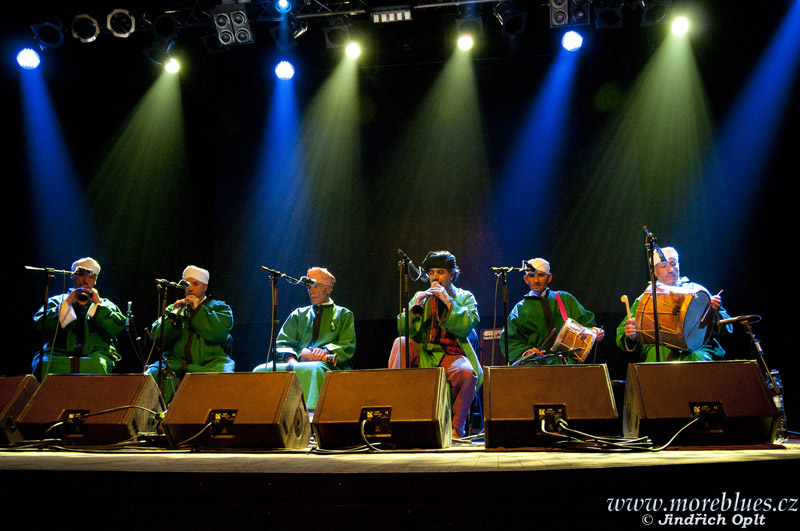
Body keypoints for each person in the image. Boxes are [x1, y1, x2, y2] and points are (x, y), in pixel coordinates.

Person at [388, 251, 481, 439]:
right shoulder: (421, 295)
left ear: (452, 274)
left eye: (440, 272)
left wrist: (448, 301)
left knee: (466, 373)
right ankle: (395, 417)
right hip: (425, 352)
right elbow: (402, 327)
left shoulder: (465, 296)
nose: (435, 277)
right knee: (401, 342)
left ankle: (456, 430)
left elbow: (469, 323)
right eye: (431, 273)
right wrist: (416, 305)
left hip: (451, 354)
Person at [253, 267, 355, 412]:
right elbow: (282, 342)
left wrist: (324, 352)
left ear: (329, 289)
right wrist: (291, 360)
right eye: (308, 286)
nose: (310, 291)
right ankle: (259, 415)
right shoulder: (299, 314)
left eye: (315, 285)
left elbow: (347, 346)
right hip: (295, 362)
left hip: (324, 364)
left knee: (314, 369)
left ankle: (312, 417)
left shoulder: (344, 314)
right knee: (261, 370)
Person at [616, 247, 731, 362]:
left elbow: (727, 323)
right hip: (660, 346)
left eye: (673, 264)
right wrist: (632, 335)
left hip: (697, 347)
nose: (670, 269)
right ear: (654, 272)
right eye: (663, 266)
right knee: (660, 357)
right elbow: (623, 332)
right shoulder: (646, 299)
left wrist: (714, 312)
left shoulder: (697, 291)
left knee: (698, 359)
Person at [147, 265, 234, 400]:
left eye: (196, 284)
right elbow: (157, 336)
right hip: (176, 364)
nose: (190, 288)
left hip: (210, 364)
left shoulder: (219, 307)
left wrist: (198, 310)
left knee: (223, 379)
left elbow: (219, 333)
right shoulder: (174, 308)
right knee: (151, 374)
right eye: (187, 284)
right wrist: (172, 318)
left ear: (205, 286)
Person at [32, 257, 126, 377]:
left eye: (91, 276)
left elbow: (115, 328)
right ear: (72, 276)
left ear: (96, 280)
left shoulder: (105, 303)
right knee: (43, 365)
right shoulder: (57, 301)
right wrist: (67, 303)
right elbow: (41, 325)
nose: (86, 280)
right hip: (58, 353)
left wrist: (98, 305)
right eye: (81, 274)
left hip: (94, 354)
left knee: (98, 366)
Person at [500, 258, 604, 365]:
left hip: (565, 363)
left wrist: (593, 332)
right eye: (531, 275)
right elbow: (510, 341)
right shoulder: (520, 309)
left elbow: (586, 324)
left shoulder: (565, 299)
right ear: (526, 279)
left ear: (549, 277)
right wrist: (527, 351)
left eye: (541, 275)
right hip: (534, 364)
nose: (536, 280)